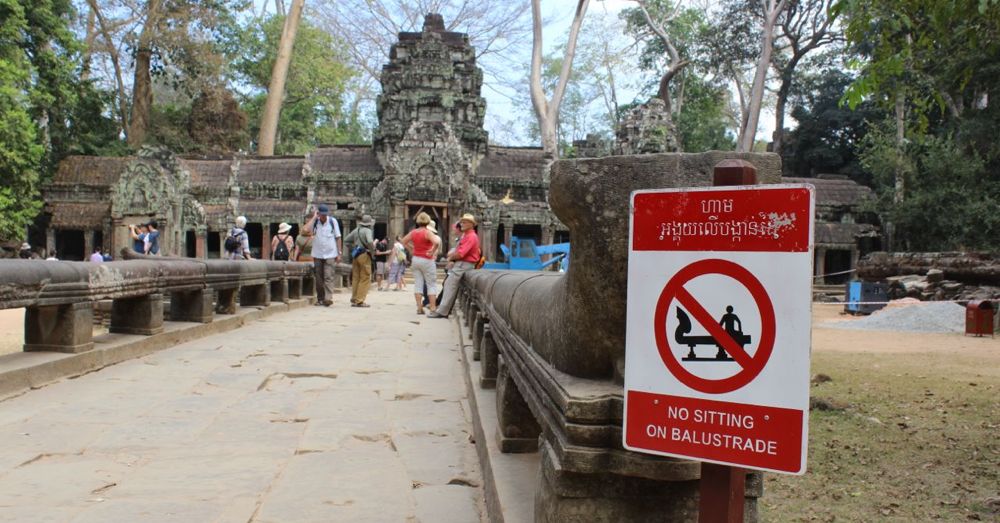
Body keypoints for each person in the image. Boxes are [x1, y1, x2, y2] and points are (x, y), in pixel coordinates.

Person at [429, 213, 481, 319]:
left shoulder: (471, 236)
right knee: (448, 284)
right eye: (462, 221)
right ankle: (443, 310)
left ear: (471, 224)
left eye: (465, 222)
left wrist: (451, 258)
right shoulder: (468, 235)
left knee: (450, 284)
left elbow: (461, 254)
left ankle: (442, 311)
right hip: (462, 263)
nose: (462, 224)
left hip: (464, 264)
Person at [302, 204, 342, 306]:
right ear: (319, 214)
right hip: (318, 253)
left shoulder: (333, 222)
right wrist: (314, 217)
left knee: (328, 276)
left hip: (330, 253)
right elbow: (305, 230)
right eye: (321, 215)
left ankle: (328, 298)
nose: (323, 217)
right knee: (318, 278)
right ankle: (320, 298)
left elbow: (338, 237)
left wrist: (339, 252)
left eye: (325, 215)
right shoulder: (315, 222)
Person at [401, 212, 441, 314]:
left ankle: (419, 308)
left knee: (418, 283)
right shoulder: (427, 232)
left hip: (416, 259)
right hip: (427, 259)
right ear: (427, 221)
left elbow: (403, 241)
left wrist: (411, 249)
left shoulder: (413, 232)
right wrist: (432, 251)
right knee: (431, 284)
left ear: (418, 221)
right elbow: (436, 242)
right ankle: (432, 308)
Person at [344, 214, 376, 307]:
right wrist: (372, 251)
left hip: (356, 255)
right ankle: (360, 300)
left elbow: (346, 240)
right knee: (365, 277)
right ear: (369, 224)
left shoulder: (356, 230)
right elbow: (370, 241)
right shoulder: (368, 231)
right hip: (364, 255)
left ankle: (354, 298)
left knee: (356, 278)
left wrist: (354, 248)